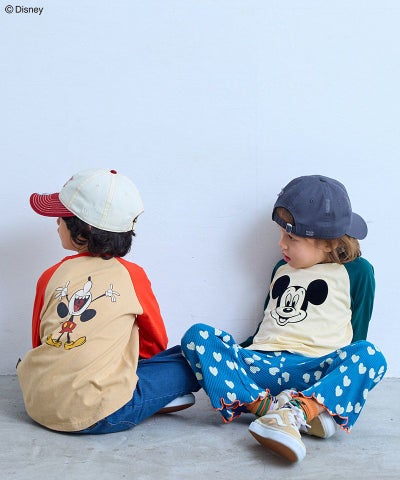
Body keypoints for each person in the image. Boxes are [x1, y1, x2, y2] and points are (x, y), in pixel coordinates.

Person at [181, 174, 387, 462]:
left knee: (371, 356)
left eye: (291, 238)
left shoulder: (358, 271)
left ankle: (299, 411)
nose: (281, 244)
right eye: (281, 235)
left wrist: (343, 374)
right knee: (197, 336)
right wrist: (232, 356)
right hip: (262, 365)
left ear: (328, 243)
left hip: (313, 368)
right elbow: (269, 326)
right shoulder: (281, 267)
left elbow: (358, 334)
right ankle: (272, 410)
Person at [17, 168, 199, 434]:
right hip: (100, 414)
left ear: (86, 228)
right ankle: (151, 398)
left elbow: (39, 340)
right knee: (190, 358)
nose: (56, 221)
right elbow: (154, 341)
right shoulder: (132, 275)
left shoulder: (50, 275)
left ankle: (151, 396)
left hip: (38, 403)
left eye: (63, 216)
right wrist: (126, 368)